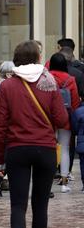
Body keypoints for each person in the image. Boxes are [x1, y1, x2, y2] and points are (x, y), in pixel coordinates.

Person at [0, 40, 69, 228]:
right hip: (45, 149)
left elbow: (0, 127)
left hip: (17, 150)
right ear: (38, 58)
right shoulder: (50, 84)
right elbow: (62, 119)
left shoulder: (7, 86)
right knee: (40, 205)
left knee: (18, 204)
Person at [47, 53, 80, 193]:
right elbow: (75, 102)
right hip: (65, 117)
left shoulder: (47, 78)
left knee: (49, 147)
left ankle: (48, 177)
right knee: (65, 148)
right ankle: (64, 178)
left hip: (49, 117)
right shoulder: (70, 80)